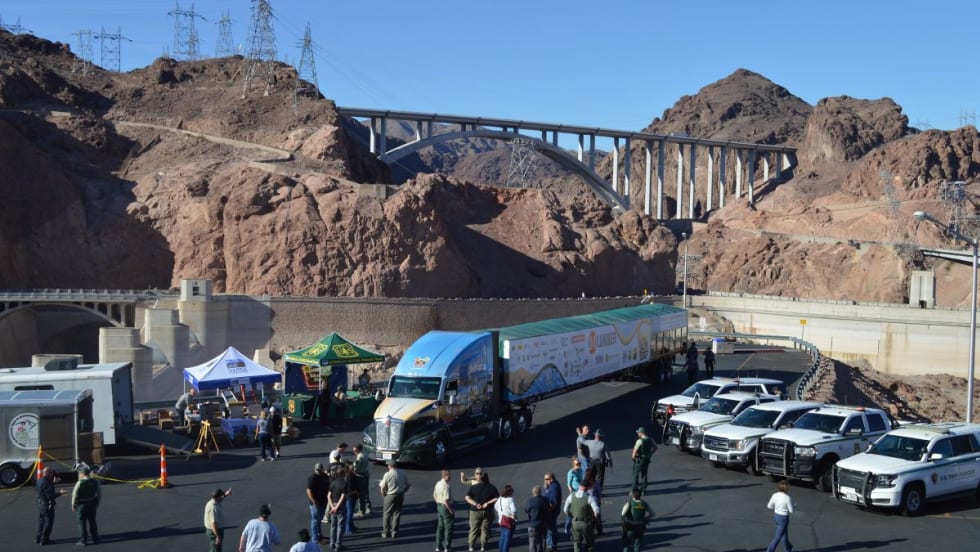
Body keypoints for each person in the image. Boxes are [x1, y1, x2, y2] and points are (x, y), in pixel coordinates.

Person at [465, 472, 499, 552]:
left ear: (479, 478)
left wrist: (476, 504)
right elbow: (497, 498)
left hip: (475, 511)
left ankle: (471, 546)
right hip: (487, 511)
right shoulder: (492, 488)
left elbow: (467, 498)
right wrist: (487, 503)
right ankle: (483, 546)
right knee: (485, 529)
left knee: (474, 528)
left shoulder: (473, 487)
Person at [562, 481, 599, 552]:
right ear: (587, 488)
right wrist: (594, 519)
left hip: (575, 522)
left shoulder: (571, 496)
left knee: (576, 542)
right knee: (589, 542)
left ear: (579, 486)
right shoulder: (589, 498)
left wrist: (571, 516)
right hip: (586, 523)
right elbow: (596, 510)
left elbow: (565, 510)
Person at [378, 459, 410, 539]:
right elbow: (408, 485)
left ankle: (385, 532)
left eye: (388, 465)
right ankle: (394, 531)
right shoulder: (402, 473)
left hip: (390, 495)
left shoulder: (387, 474)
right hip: (400, 494)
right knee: (397, 513)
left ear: (390, 466)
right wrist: (403, 491)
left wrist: (383, 494)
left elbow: (383, 487)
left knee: (387, 513)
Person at [71, 464, 101, 546]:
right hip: (92, 504)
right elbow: (99, 493)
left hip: (82, 505)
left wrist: (73, 504)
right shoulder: (95, 481)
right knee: (92, 521)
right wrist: (97, 503)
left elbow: (75, 494)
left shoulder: (79, 483)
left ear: (83, 474)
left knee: (82, 523)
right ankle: (95, 538)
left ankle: (83, 540)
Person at [35, 466, 66, 545]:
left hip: (40, 504)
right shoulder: (47, 483)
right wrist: (60, 493)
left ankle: (38, 538)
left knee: (41, 522)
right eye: (51, 473)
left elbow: (43, 489)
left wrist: (53, 483)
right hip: (47, 506)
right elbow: (50, 496)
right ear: (48, 473)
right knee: (48, 523)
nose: (52, 474)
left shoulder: (39, 481)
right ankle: (44, 539)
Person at [765, 480, 794, 552]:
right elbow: (791, 511)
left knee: (784, 534)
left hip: (776, 516)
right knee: (778, 537)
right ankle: (769, 550)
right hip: (784, 518)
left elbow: (769, 506)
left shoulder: (775, 495)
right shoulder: (787, 498)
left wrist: (777, 508)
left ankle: (789, 548)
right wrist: (794, 506)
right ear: (786, 488)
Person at [307, 463, 331, 545]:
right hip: (316, 504)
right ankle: (315, 539)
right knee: (315, 521)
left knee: (318, 520)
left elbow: (329, 485)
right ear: (315, 469)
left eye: (319, 470)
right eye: (317, 470)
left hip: (323, 502)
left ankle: (319, 536)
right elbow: (308, 491)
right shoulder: (312, 478)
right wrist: (314, 501)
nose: (318, 471)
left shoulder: (325, 476)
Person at [204, 486, 232, 552]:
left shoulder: (215, 501)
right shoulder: (213, 507)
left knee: (217, 548)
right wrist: (218, 536)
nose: (222, 496)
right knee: (215, 549)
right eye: (221, 495)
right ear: (218, 497)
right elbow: (213, 524)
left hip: (216, 530)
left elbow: (220, 499)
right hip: (215, 531)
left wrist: (226, 494)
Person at [631, 427, 656, 496]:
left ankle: (634, 490)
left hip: (640, 459)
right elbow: (655, 447)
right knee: (644, 474)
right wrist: (650, 454)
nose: (638, 433)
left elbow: (634, 452)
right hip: (647, 459)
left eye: (638, 432)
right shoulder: (650, 439)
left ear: (641, 433)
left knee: (635, 475)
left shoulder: (639, 441)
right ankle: (643, 490)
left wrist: (633, 458)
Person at [327, 464, 348, 550]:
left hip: (333, 505)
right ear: (343, 474)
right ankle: (338, 544)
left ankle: (332, 543)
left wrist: (332, 507)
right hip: (340, 506)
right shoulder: (344, 483)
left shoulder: (333, 483)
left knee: (333, 525)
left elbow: (328, 496)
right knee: (340, 526)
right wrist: (337, 507)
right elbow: (343, 496)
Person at [433, 469, 455, 552]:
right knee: (448, 528)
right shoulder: (446, 486)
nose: (450, 477)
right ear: (447, 476)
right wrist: (450, 510)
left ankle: (438, 546)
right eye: (450, 475)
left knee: (440, 527)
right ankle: (447, 547)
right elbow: (446, 500)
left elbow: (434, 496)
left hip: (439, 506)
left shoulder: (438, 483)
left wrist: (439, 503)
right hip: (445, 507)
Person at [524, 485, 550, 552]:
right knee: (543, 539)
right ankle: (542, 550)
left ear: (533, 492)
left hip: (533, 524)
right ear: (540, 492)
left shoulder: (530, 501)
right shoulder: (545, 500)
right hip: (543, 523)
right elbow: (549, 508)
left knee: (532, 541)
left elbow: (526, 510)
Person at [541, 473, 561, 552]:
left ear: (551, 479)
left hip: (552, 512)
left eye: (546, 479)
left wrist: (548, 511)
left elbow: (554, 503)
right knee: (552, 527)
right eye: (544, 478)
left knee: (551, 529)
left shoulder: (554, 488)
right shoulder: (552, 485)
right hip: (552, 511)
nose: (544, 480)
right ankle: (553, 544)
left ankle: (551, 546)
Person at [351, 444, 373, 517]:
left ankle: (361, 511)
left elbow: (356, 467)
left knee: (361, 494)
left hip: (360, 476)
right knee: (366, 492)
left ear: (359, 450)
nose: (354, 452)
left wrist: (352, 469)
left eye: (355, 450)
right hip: (366, 473)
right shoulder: (365, 453)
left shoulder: (359, 457)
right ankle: (368, 508)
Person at [494, 484, 517, 552]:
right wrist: (511, 514)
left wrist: (501, 512)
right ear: (509, 492)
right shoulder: (510, 499)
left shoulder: (500, 498)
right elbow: (514, 510)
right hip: (508, 521)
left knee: (502, 537)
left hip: (501, 520)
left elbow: (495, 507)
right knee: (507, 539)